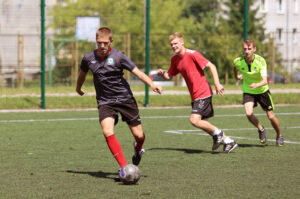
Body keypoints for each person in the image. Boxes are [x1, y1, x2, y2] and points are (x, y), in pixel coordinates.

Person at [76, 27, 163, 172]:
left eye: (105, 43)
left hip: (125, 98)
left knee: (139, 135)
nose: (102, 46)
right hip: (105, 101)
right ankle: (124, 168)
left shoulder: (119, 56)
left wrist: (152, 85)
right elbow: (82, 74)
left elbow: (138, 72)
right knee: (107, 131)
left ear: (111, 41)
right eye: (99, 43)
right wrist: (78, 88)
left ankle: (138, 147)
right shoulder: (88, 58)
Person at [157, 32, 238, 153]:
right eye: (171, 45)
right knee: (202, 123)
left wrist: (217, 83)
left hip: (203, 92)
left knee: (194, 120)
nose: (173, 46)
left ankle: (219, 134)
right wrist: (163, 73)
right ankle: (229, 141)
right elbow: (170, 75)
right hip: (195, 96)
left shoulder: (192, 54)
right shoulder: (174, 59)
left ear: (182, 42)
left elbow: (212, 66)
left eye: (175, 43)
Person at [233, 39, 284, 146]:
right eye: (245, 49)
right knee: (248, 113)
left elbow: (265, 80)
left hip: (262, 91)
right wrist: (237, 76)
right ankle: (261, 129)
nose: (247, 51)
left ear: (254, 49)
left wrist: (256, 85)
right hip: (248, 91)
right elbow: (235, 67)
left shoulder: (261, 61)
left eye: (249, 49)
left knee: (270, 116)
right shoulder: (238, 61)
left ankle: (279, 135)